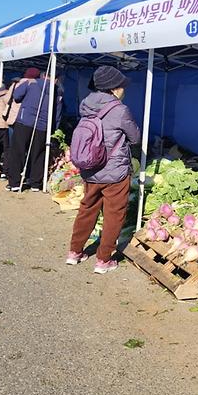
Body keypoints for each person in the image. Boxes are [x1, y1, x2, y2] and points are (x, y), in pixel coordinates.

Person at [66, 66, 141, 274]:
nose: (124, 90)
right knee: (113, 214)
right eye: (122, 86)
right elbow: (135, 137)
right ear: (114, 88)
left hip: (90, 168)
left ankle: (74, 252)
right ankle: (103, 260)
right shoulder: (120, 110)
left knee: (87, 209)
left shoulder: (87, 105)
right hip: (115, 172)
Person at [4, 67, 58, 192]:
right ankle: (35, 183)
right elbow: (58, 111)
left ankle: (15, 183)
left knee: (18, 151)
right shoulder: (56, 90)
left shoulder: (30, 83)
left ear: (43, 75)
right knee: (38, 153)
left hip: (25, 121)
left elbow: (16, 96)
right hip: (43, 125)